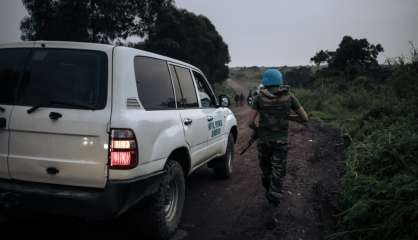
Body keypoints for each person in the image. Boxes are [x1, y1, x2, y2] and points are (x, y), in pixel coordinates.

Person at [247, 68, 308, 229]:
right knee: (278, 173)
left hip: (264, 142)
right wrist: (288, 116)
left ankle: (269, 194)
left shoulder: (259, 97)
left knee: (266, 172)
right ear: (280, 81)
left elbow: (250, 122)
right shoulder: (290, 97)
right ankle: (273, 205)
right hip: (280, 143)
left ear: (266, 81)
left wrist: (258, 130)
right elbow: (304, 118)